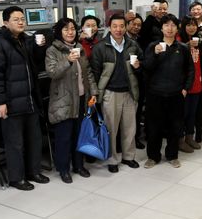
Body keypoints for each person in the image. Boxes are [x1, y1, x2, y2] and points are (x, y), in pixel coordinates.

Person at [0, 6, 49, 191]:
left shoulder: (25, 40)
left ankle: (33, 171)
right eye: (16, 19)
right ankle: (16, 178)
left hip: (29, 99)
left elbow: (36, 63)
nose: (21, 22)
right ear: (5, 22)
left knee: (34, 139)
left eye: (22, 19)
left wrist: (40, 47)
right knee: (15, 143)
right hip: (11, 102)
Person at [46, 18, 98, 183]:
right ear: (59, 32)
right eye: (66, 29)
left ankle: (78, 165)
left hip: (82, 98)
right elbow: (52, 72)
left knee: (79, 135)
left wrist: (93, 92)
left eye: (73, 29)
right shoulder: (52, 50)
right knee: (64, 138)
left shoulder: (79, 47)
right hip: (63, 100)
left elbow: (88, 73)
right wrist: (67, 61)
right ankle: (63, 169)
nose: (70, 32)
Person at [91, 14, 143, 172]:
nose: (118, 29)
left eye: (121, 26)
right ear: (109, 27)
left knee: (130, 128)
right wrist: (96, 94)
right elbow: (95, 72)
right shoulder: (101, 47)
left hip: (129, 92)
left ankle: (128, 156)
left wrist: (139, 65)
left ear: (126, 27)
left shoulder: (133, 45)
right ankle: (112, 160)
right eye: (115, 26)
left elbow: (143, 64)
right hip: (110, 93)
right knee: (111, 129)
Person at [142, 14, 194, 169]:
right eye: (166, 25)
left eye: (173, 25)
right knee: (154, 127)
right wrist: (155, 54)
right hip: (155, 93)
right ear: (162, 28)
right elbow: (146, 68)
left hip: (176, 94)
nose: (170, 28)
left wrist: (185, 89)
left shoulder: (183, 48)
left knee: (175, 127)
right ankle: (153, 156)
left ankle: (172, 155)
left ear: (177, 28)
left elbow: (190, 70)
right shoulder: (153, 46)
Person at [178, 17, 202, 152]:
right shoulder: (179, 40)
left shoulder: (198, 40)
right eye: (188, 25)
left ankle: (189, 137)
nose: (191, 27)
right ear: (183, 26)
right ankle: (180, 140)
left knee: (192, 113)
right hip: (184, 84)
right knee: (182, 113)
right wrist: (186, 45)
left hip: (197, 82)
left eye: (194, 25)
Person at [126, 13, 146, 149]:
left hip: (138, 79)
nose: (136, 27)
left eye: (139, 25)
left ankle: (136, 137)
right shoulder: (122, 39)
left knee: (137, 112)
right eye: (134, 24)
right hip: (125, 81)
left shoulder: (140, 39)